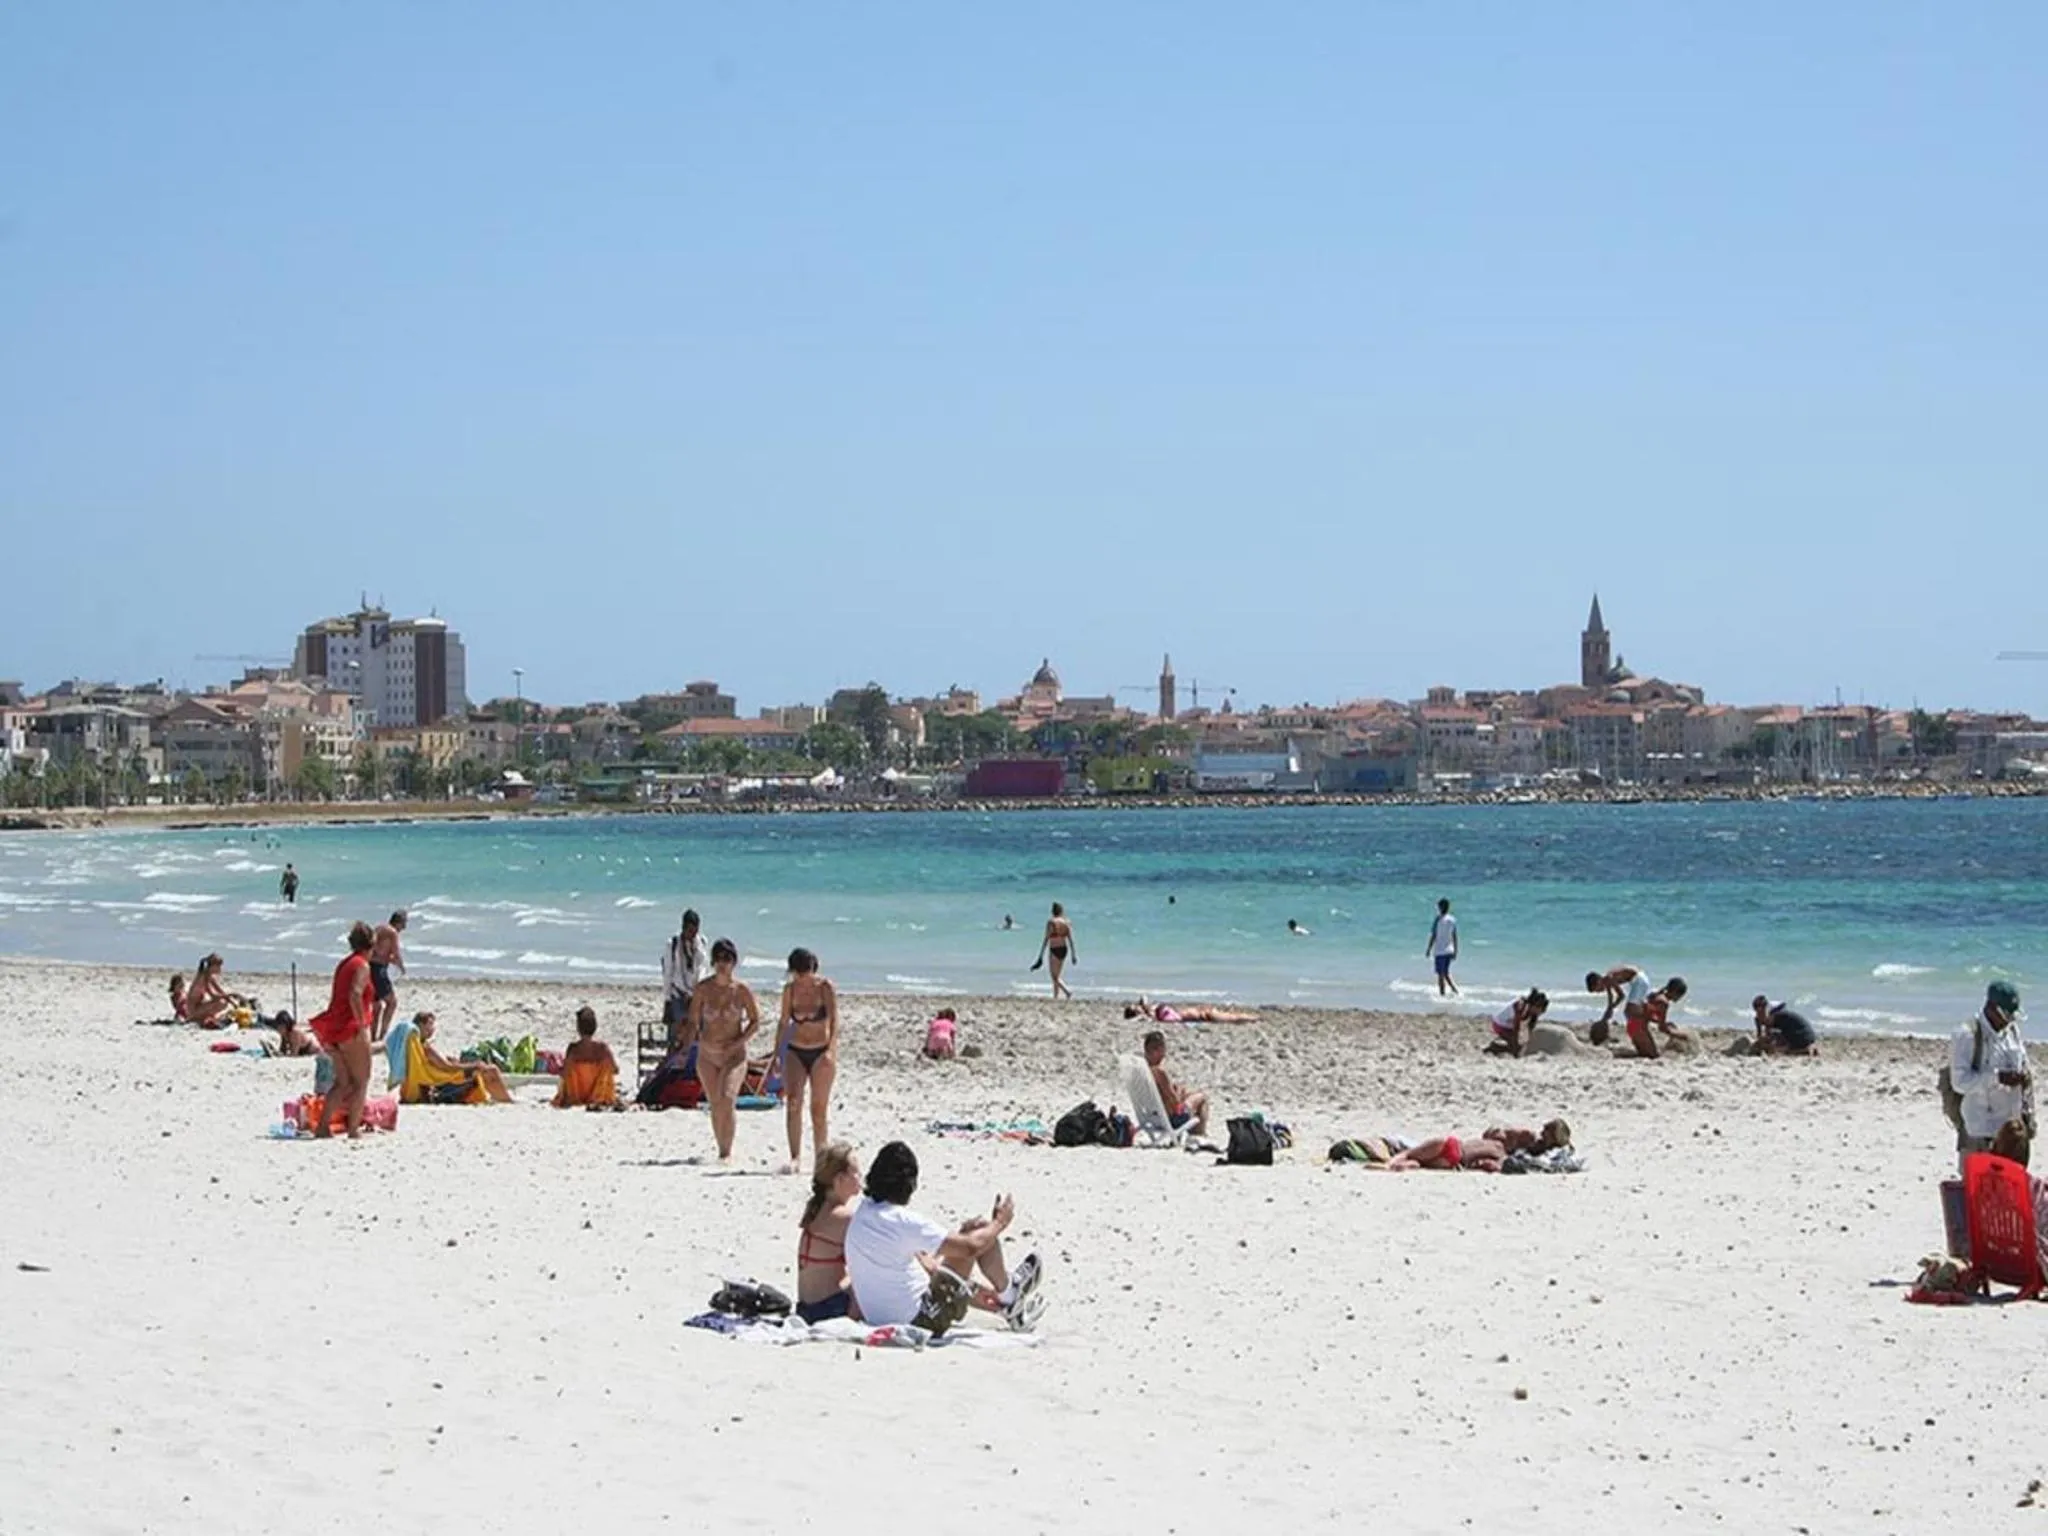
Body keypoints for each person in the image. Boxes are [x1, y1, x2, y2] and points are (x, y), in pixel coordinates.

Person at [843, 1141, 1044, 1336]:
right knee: (979, 1232)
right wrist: (1000, 1223)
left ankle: (1008, 1299)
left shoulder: (863, 1212)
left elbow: (930, 1266)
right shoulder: (902, 1221)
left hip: (880, 1318)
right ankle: (1010, 1293)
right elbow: (971, 1248)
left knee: (968, 1235)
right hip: (924, 1320)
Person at [687, 938, 762, 1162]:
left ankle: (726, 1152)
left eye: (727, 959)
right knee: (715, 1103)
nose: (722, 964)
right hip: (708, 1055)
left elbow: (755, 1021)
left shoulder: (741, 991)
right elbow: (693, 1020)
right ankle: (721, 1146)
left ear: (734, 962)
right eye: (719, 959)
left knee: (727, 1098)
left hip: (734, 1056)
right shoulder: (702, 989)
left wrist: (738, 1042)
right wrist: (691, 1040)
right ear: (712, 961)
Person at [1951, 980, 2030, 1172]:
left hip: (2009, 1135)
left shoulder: (2012, 1032)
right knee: (1977, 1194)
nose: (2010, 1020)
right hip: (1979, 1132)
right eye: (2006, 1015)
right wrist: (1996, 1078)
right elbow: (1959, 1082)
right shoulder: (1968, 1034)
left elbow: (2023, 1064)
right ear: (1991, 1008)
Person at [307, 922, 376, 1138]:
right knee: (361, 1081)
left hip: (333, 1028)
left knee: (343, 1081)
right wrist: (363, 1025)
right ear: (372, 944)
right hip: (350, 1029)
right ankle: (353, 1129)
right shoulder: (362, 965)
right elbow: (355, 994)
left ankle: (323, 1126)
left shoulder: (345, 963)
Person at [775, 948, 839, 1172]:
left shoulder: (825, 988)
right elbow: (783, 1022)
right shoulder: (790, 990)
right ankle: (795, 1157)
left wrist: (831, 1050)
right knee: (793, 1103)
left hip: (821, 1050)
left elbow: (834, 1021)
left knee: (818, 1109)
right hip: (796, 1050)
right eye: (798, 973)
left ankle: (821, 1159)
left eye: (806, 972)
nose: (803, 978)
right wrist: (776, 1054)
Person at [795, 1142, 864, 1324]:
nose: (860, 1177)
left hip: (805, 1308)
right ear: (839, 1179)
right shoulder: (843, 1217)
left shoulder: (816, 1208)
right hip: (829, 1309)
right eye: (856, 1172)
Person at [410, 1012, 515, 1104]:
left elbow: (439, 1065)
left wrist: (453, 1061)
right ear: (420, 1025)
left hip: (443, 1079)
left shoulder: (418, 1046)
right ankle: (505, 1100)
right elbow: (447, 1067)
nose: (432, 1029)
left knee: (486, 1069)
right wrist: (473, 1065)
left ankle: (501, 1098)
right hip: (446, 1082)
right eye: (429, 1025)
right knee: (490, 1070)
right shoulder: (425, 1048)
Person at [1142, 1029, 1210, 1136]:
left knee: (1189, 1094)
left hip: (1153, 1116)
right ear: (1160, 1049)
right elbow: (1176, 1104)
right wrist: (1179, 1093)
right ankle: (1199, 1135)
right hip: (1171, 1119)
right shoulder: (1159, 1072)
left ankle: (1196, 1134)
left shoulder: (1143, 1069)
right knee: (1201, 1097)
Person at [553, 1005, 621, 1108]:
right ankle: (599, 1096)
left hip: (577, 1095)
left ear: (578, 1028)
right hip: (598, 1094)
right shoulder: (602, 1049)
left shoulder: (573, 1049)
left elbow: (564, 1073)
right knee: (606, 1067)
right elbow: (615, 1070)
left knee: (571, 1070)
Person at [661, 908, 710, 1040]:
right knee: (676, 1034)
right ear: (683, 927)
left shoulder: (702, 942)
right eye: (690, 930)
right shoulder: (672, 944)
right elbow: (668, 973)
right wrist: (667, 1000)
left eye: (695, 930)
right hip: (678, 994)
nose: (693, 934)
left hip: (695, 996)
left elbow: (703, 968)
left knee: (697, 1032)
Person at [1617, 978, 1689, 1059]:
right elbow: (1662, 1028)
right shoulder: (1664, 1002)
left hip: (1632, 1025)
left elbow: (1647, 1014)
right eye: (1681, 996)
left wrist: (1661, 1022)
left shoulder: (1657, 995)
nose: (1680, 999)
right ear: (1675, 992)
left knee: (1644, 1054)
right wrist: (1680, 1035)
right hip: (1638, 1028)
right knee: (1654, 1056)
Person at [1585, 964, 1652, 1047]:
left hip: (1639, 979)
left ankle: (1639, 1033)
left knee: (1629, 1011)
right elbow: (1611, 999)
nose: (1599, 992)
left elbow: (1621, 995)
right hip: (1635, 981)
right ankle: (1640, 1030)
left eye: (1597, 989)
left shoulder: (1609, 978)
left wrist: (1611, 1008)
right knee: (1632, 1012)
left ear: (1598, 981)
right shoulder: (1607, 982)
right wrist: (1609, 1010)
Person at [369, 911, 408, 1044]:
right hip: (379, 970)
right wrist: (401, 967)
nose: (404, 928)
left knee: (377, 1006)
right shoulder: (392, 933)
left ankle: (373, 1036)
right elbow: (395, 953)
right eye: (404, 923)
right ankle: (382, 1035)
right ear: (399, 922)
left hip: (369, 967)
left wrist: (391, 961)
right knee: (392, 1002)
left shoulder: (379, 929)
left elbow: (377, 952)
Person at [1485, 989, 1550, 1057]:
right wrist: (1515, 1048)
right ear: (1535, 1006)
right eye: (1542, 1009)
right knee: (1515, 1047)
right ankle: (1493, 1048)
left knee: (1518, 1046)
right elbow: (1516, 1028)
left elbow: (1531, 1028)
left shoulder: (1533, 1012)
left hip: (1509, 1026)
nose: (1543, 1012)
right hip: (1499, 1024)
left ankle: (1499, 1045)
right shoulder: (1521, 1006)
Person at [1033, 902, 1076, 1001]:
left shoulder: (1051, 922)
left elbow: (1046, 938)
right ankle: (1055, 996)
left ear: (1052, 911)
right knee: (1057, 975)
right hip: (1064, 949)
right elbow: (1070, 939)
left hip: (1054, 949)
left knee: (1054, 976)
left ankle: (1067, 992)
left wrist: (1041, 954)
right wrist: (1073, 954)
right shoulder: (1067, 922)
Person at [184, 953, 241, 1027]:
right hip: (192, 1010)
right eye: (219, 966)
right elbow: (213, 996)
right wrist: (231, 995)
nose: (220, 969)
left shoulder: (209, 976)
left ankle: (203, 1017)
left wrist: (233, 1003)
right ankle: (196, 1018)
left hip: (198, 1006)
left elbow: (220, 991)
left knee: (224, 1002)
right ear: (213, 966)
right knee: (221, 1003)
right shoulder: (203, 976)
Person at [1751, 995, 1819, 1057]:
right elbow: (1764, 1036)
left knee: (1778, 1050)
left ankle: (1805, 1050)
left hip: (1802, 1034)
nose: (1760, 1015)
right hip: (1806, 1035)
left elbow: (1769, 1035)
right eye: (1759, 1012)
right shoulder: (1776, 1013)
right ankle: (1807, 1048)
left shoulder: (1776, 1016)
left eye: (1762, 1011)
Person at [1124, 998, 1260, 1025]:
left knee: (1232, 1016)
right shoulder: (1153, 1016)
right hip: (1202, 1015)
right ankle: (1254, 1018)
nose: (1136, 1006)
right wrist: (1144, 1010)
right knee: (1232, 1018)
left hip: (1199, 1011)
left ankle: (1254, 1018)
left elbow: (1144, 998)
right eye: (1134, 1008)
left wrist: (1144, 1008)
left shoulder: (1151, 1013)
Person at [1426, 899, 1459, 996]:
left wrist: (1428, 949)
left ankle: (1443, 994)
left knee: (1441, 975)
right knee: (1445, 973)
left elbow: (1434, 935)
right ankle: (1454, 991)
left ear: (1440, 908)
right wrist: (1456, 951)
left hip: (1440, 951)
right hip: (1449, 950)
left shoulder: (1438, 920)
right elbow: (1455, 937)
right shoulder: (1452, 920)